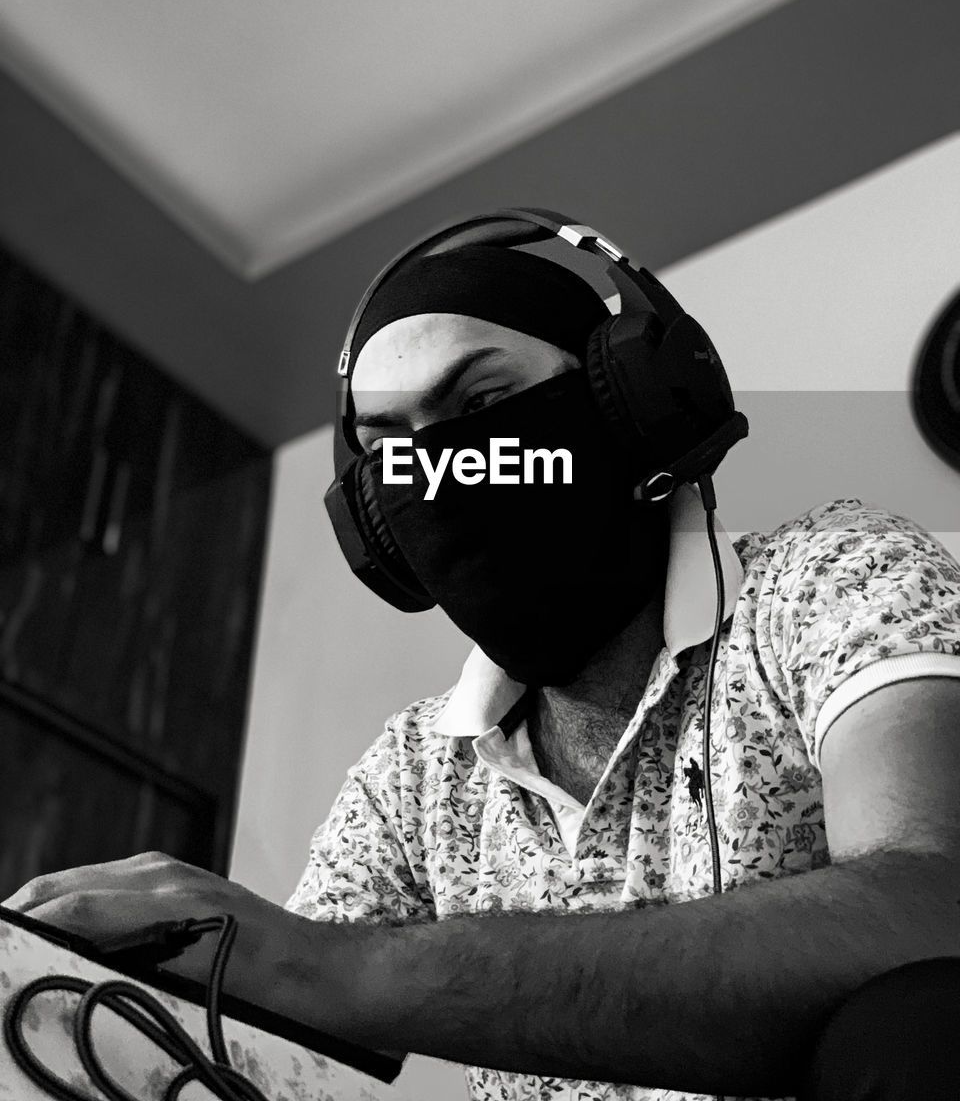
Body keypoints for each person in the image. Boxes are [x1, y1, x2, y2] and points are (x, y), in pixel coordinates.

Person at [6, 211, 960, 1101]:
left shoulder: (832, 578)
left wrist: (338, 967)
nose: (445, 467)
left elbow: (932, 910)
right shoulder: (410, 777)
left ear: (631, 404)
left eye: (485, 400)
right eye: (392, 448)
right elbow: (272, 1032)